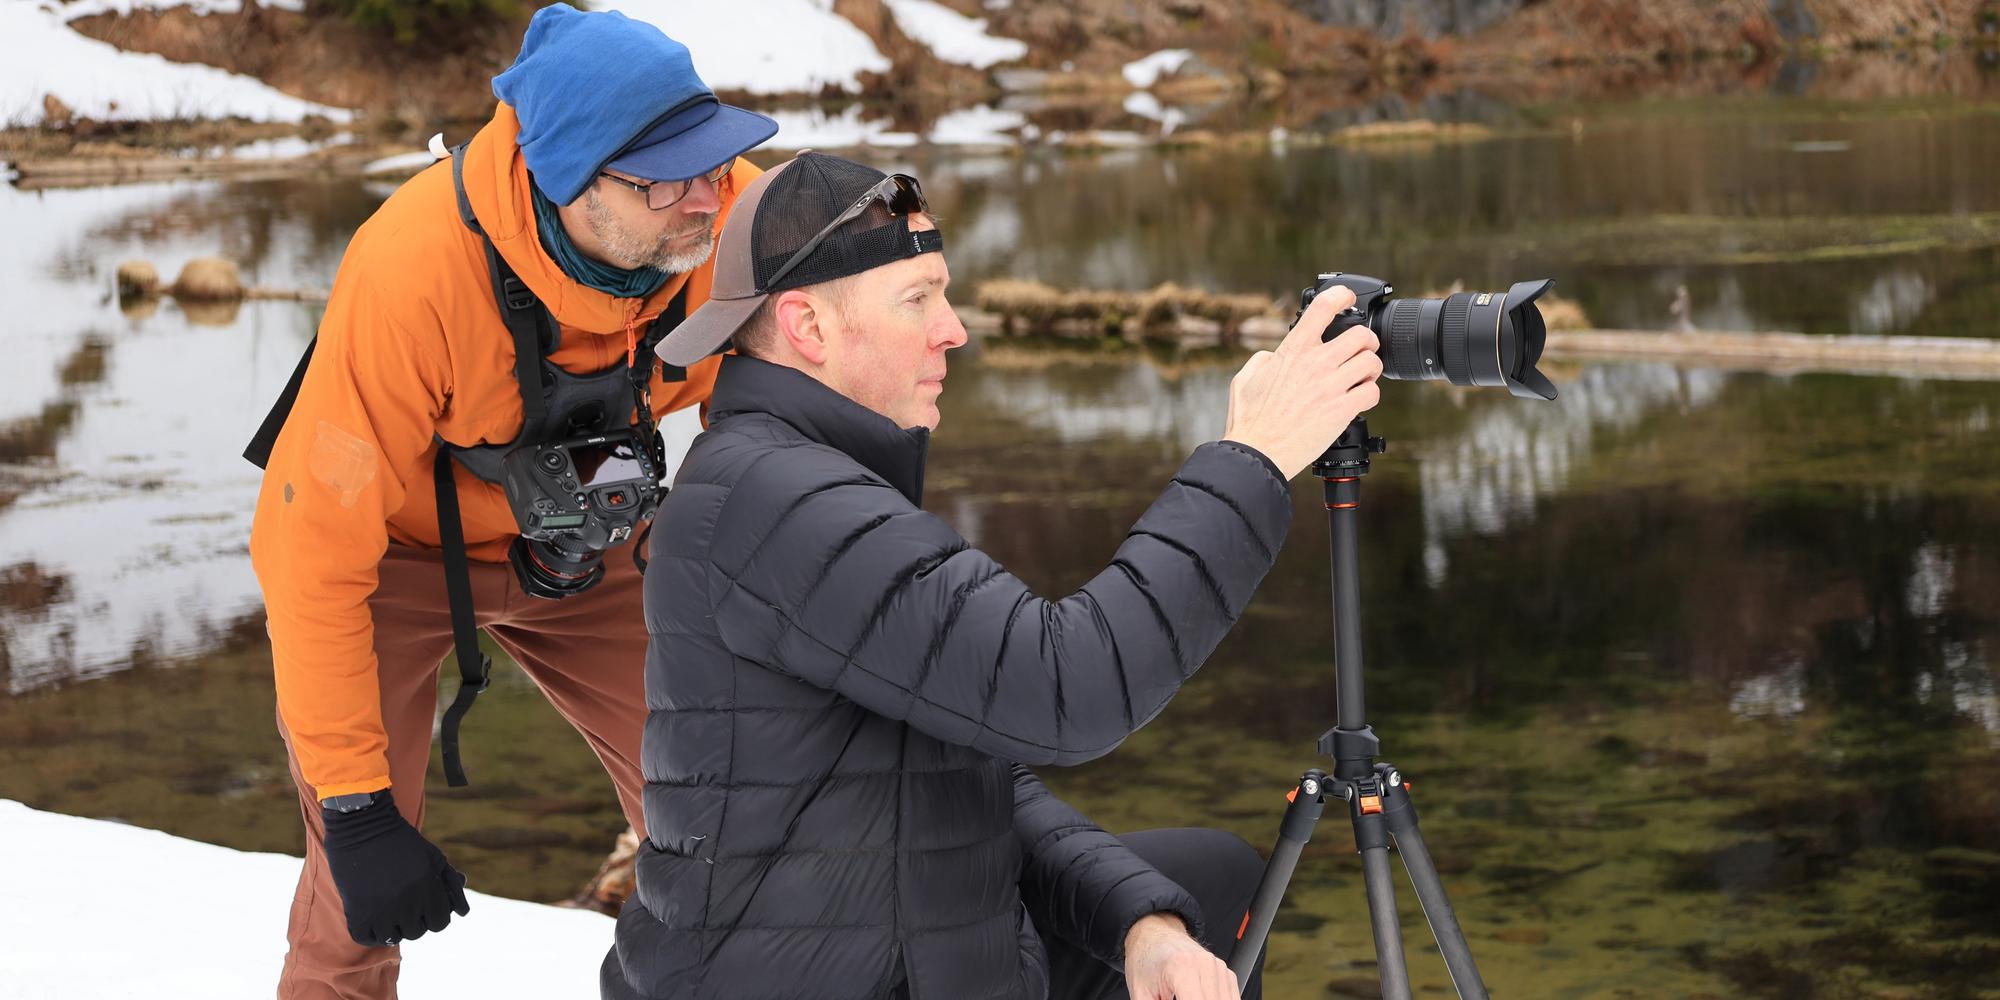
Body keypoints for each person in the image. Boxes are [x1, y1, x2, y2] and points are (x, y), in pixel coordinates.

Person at [600, 152, 1383, 1000]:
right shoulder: (778, 500)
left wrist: (1137, 927)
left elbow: (964, 774)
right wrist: (1252, 459)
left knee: (1208, 887)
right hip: (815, 974)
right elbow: (1066, 686)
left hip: (895, 938)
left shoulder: (805, 475)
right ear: (808, 327)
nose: (954, 328)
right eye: (918, 298)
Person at [243, 5, 777, 996]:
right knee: (355, 894)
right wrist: (358, 811)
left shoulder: (728, 220)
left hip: (594, 540)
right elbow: (310, 547)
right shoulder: (411, 273)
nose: (713, 194)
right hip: (396, 560)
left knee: (727, 818)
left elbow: (832, 358)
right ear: (572, 177)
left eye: (720, 158)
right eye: (675, 174)